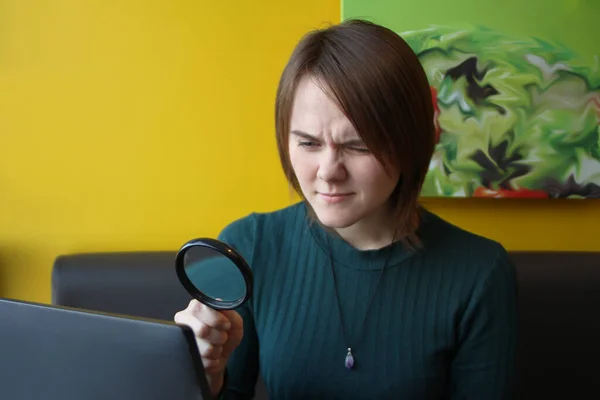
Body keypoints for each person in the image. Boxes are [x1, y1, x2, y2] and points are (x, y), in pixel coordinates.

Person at [174, 19, 517, 399]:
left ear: (411, 144)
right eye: (307, 143)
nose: (328, 172)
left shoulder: (479, 273)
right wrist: (203, 376)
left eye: (358, 146)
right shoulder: (248, 246)